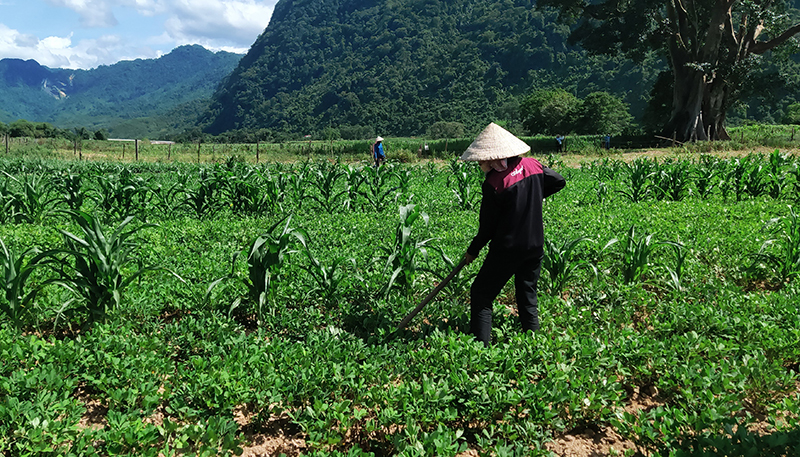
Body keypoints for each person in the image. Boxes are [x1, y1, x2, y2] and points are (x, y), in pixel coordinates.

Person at [461, 123, 566, 346]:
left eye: (481, 160)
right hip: (535, 246)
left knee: (481, 293)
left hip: (507, 249)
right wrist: (533, 196)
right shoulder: (534, 166)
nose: (480, 164)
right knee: (527, 293)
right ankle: (534, 343)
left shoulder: (494, 183)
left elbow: (487, 228)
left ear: (492, 159)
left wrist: (472, 251)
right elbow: (559, 181)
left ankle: (480, 347)